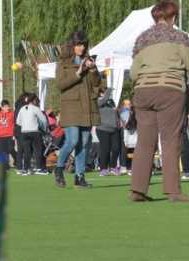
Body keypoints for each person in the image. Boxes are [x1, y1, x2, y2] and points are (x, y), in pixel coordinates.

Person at [129, 0, 189, 201]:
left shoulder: (142, 39)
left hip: (142, 93)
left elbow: (134, 73)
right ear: (174, 17)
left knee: (144, 142)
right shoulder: (179, 37)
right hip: (170, 91)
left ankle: (137, 190)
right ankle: (173, 191)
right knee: (170, 141)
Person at [53, 31, 102, 189]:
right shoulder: (63, 62)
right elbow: (60, 84)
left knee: (85, 142)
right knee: (73, 140)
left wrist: (93, 70)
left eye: (83, 45)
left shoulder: (88, 61)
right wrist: (78, 73)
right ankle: (59, 168)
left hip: (87, 106)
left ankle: (79, 177)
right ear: (72, 45)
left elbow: (97, 85)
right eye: (78, 44)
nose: (81, 48)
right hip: (71, 107)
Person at [16, 93, 48, 175]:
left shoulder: (22, 108)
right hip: (34, 132)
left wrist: (25, 125)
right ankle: (38, 168)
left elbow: (18, 122)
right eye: (37, 101)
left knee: (27, 151)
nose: (37, 103)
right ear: (34, 100)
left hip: (24, 132)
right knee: (37, 150)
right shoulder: (35, 108)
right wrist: (44, 129)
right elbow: (44, 120)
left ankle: (26, 169)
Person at [95, 90, 122, 177]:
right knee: (105, 149)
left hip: (114, 129)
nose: (108, 95)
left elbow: (115, 114)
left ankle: (113, 167)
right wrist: (108, 90)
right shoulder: (98, 101)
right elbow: (103, 100)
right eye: (104, 92)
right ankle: (103, 168)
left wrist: (118, 122)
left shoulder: (112, 102)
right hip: (102, 129)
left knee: (116, 148)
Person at [0, 101, 16, 168]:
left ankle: (17, 159)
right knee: (3, 152)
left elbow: (15, 125)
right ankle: (5, 165)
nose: (7, 108)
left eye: (8, 106)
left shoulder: (12, 114)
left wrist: (14, 134)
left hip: (10, 136)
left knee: (11, 149)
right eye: (6, 107)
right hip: (1, 137)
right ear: (2, 107)